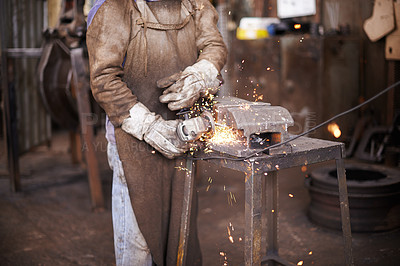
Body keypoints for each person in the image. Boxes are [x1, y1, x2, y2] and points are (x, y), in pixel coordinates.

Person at [86, 0, 227, 265]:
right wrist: (149, 126)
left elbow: (213, 45)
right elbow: (104, 80)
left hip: (182, 136)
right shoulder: (114, 6)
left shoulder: (194, 4)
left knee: (180, 234)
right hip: (133, 141)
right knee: (140, 243)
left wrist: (202, 73)